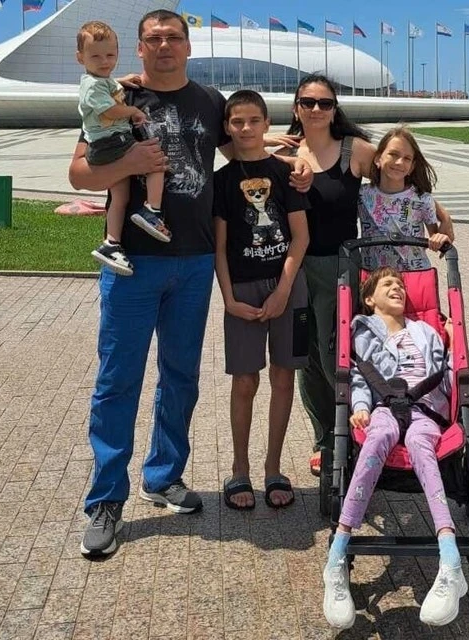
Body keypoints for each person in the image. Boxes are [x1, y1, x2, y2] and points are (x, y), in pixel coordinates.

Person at [69, 9, 311, 558]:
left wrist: (295, 162)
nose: (164, 46)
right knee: (118, 379)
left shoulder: (208, 101)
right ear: (139, 48)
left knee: (180, 376)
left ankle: (163, 477)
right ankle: (105, 499)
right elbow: (80, 173)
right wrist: (129, 160)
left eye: (173, 37)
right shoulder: (117, 96)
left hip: (196, 260)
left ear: (188, 45)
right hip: (134, 262)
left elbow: (243, 150)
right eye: (153, 39)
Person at [281, 75, 454, 478]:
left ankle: (358, 430)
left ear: (335, 108)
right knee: (306, 358)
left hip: (343, 268)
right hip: (296, 266)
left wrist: (435, 210)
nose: (317, 109)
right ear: (296, 107)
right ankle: (326, 440)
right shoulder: (287, 149)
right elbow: (240, 147)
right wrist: (275, 146)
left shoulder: (354, 149)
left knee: (337, 356)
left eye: (325, 103)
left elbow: (395, 169)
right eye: (308, 102)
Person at [322, 267, 465, 629]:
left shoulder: (426, 332)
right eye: (387, 284)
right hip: (384, 406)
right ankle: (337, 556)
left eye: (401, 285)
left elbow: (447, 380)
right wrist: (360, 407)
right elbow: (358, 375)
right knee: (378, 436)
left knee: (419, 442)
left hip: (425, 408)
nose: (398, 288)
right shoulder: (363, 329)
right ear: (369, 299)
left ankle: (450, 559)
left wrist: (452, 344)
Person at [213, 90, 310, 510]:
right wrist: (229, 299)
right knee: (245, 380)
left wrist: (283, 290)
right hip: (243, 289)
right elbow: (220, 248)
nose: (246, 128)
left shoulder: (286, 173)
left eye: (254, 120)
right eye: (237, 122)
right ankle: (240, 469)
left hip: (288, 284)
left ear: (267, 124)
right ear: (228, 127)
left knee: (284, 377)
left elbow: (300, 237)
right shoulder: (222, 180)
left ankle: (273, 467)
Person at [76, 20, 169, 276]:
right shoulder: (93, 85)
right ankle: (152, 210)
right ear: (80, 57)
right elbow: (110, 110)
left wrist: (120, 81)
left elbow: (105, 86)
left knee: (120, 198)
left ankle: (111, 243)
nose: (104, 61)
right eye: (95, 56)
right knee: (155, 161)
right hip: (112, 142)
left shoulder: (99, 81)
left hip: (104, 145)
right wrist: (133, 111)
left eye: (110, 55)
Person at [358, 125, 454, 271]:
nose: (399, 162)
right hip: (375, 279)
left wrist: (440, 238)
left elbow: (435, 237)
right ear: (378, 158)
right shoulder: (362, 195)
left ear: (412, 167)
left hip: (414, 275)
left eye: (407, 158)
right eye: (393, 154)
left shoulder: (422, 199)